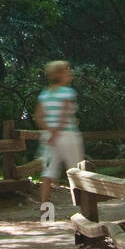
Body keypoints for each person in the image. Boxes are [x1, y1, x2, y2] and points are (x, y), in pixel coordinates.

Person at [35, 59, 84, 218]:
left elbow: (38, 117)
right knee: (77, 170)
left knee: (48, 172)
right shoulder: (68, 92)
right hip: (68, 136)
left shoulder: (44, 95)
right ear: (60, 74)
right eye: (67, 70)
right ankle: (83, 207)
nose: (70, 73)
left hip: (49, 138)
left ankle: (44, 208)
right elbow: (64, 114)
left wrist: (50, 132)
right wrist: (56, 132)